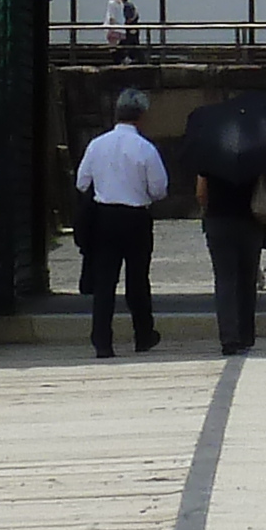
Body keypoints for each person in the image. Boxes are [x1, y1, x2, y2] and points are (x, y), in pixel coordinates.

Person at [73, 89, 170, 358]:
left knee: (105, 282)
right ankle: (143, 334)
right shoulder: (146, 149)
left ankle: (102, 340)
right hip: (136, 217)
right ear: (141, 116)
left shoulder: (97, 144)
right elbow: (159, 189)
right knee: (137, 279)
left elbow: (82, 182)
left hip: (104, 216)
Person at [196, 144, 266, 355]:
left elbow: (201, 193)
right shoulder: (257, 155)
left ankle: (228, 337)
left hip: (218, 221)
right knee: (247, 280)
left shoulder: (210, 155)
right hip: (251, 221)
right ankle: (245, 335)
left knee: (225, 279)